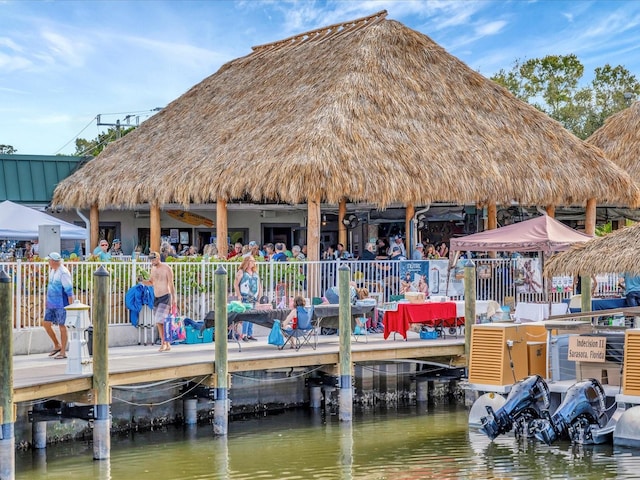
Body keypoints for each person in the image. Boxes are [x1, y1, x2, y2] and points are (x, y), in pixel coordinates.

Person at [143, 251, 177, 352]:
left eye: (154, 259)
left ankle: (163, 343)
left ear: (158, 258)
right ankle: (166, 343)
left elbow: (171, 284)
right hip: (156, 297)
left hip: (165, 296)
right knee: (160, 322)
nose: (152, 261)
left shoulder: (166, 268)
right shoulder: (153, 269)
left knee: (160, 320)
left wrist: (173, 299)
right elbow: (151, 282)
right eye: (151, 259)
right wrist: (142, 281)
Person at [43, 252, 74, 359]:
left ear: (54, 261)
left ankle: (63, 352)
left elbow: (69, 291)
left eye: (49, 260)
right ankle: (57, 345)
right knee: (46, 324)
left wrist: (71, 306)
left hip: (61, 303)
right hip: (51, 303)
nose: (48, 262)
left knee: (62, 326)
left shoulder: (63, 272)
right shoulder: (53, 270)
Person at [234, 255, 262, 341]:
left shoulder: (255, 273)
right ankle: (244, 334)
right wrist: (239, 295)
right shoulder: (241, 272)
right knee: (246, 316)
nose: (253, 263)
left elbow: (259, 285)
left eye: (254, 261)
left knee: (252, 316)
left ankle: (250, 333)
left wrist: (259, 297)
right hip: (245, 297)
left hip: (253, 297)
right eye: (251, 261)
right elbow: (236, 284)